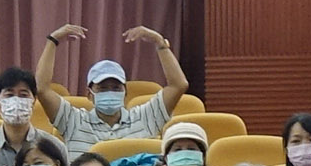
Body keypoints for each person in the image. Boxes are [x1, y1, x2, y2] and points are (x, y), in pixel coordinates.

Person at [31, 25, 191, 155]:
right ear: (89, 94)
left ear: (125, 93)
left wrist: (160, 43)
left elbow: (179, 85)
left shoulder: (145, 117)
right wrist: (52, 41)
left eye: (116, 87)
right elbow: (42, 88)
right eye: (102, 88)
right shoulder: (73, 121)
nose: (110, 92)